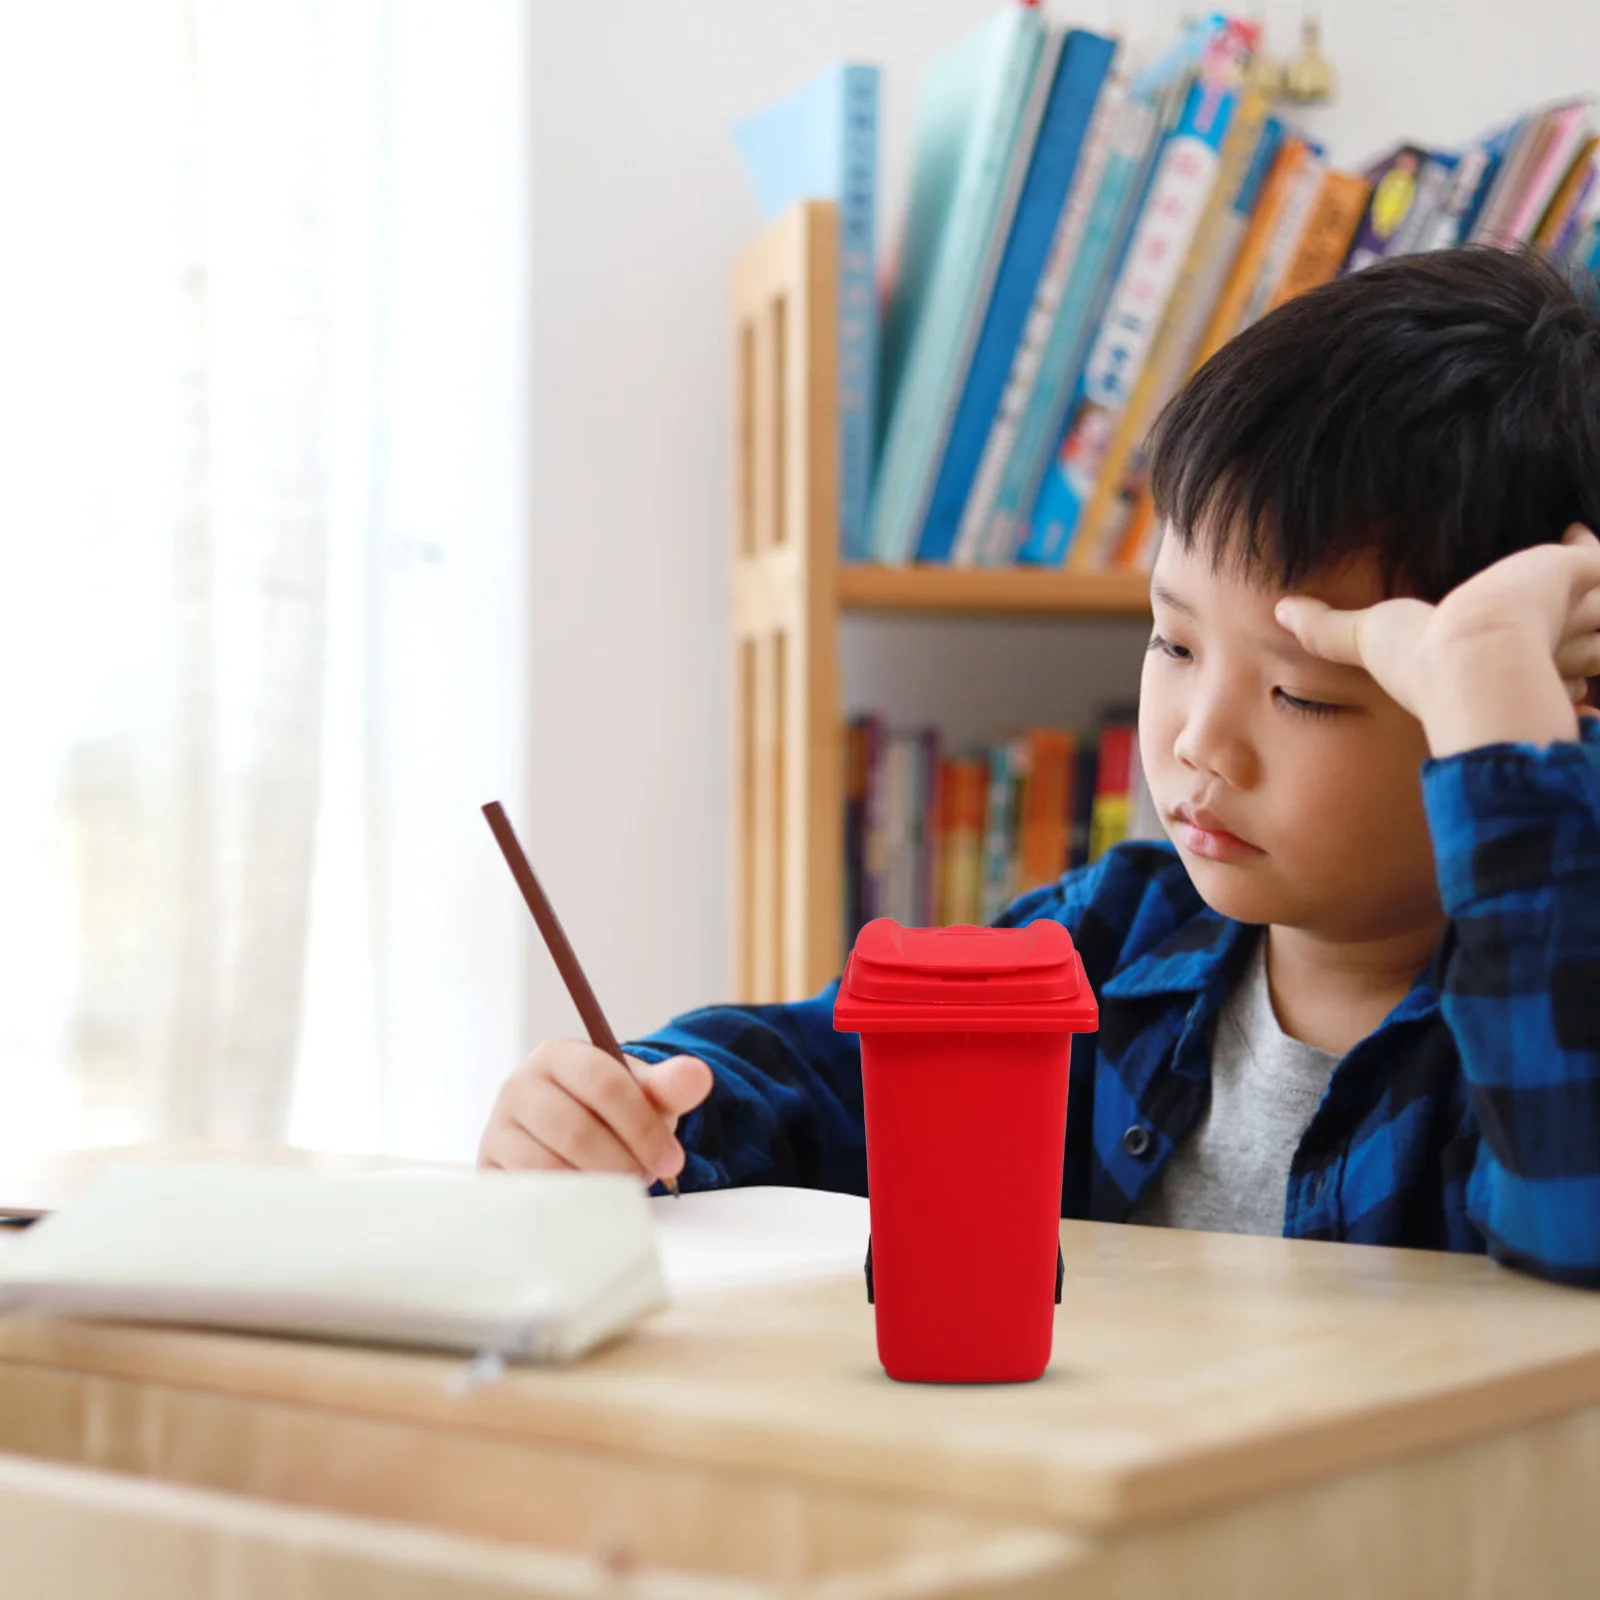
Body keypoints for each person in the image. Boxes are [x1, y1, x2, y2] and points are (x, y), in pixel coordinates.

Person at [480, 247, 1600, 1285]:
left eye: (1302, 690)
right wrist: (624, 1106)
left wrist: (1494, 683)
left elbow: (1571, 1220)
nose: (1197, 741)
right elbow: (822, 1071)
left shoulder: (1542, 1014)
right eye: (1174, 641)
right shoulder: (1111, 939)